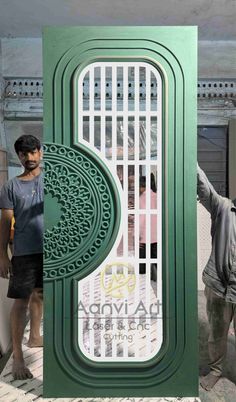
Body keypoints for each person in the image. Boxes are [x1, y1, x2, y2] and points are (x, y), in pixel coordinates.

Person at [0, 135, 43, 380]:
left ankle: (35, 336)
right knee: (20, 302)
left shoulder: (54, 179)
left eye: (33, 152)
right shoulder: (11, 187)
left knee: (39, 294)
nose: (29, 158)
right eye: (24, 154)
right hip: (24, 252)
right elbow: (5, 222)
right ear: (19, 157)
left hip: (51, 251)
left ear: (41, 152)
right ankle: (17, 357)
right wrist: (2, 256)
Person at [197, 164, 236, 391]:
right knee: (217, 332)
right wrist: (190, 159)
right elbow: (204, 187)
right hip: (218, 285)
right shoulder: (223, 207)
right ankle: (216, 370)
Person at [139, 175, 157, 281]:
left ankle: (142, 285)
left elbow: (141, 218)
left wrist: (137, 235)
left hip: (145, 235)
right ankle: (158, 282)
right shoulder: (157, 196)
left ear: (142, 186)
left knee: (142, 262)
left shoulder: (143, 198)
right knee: (156, 260)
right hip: (156, 235)